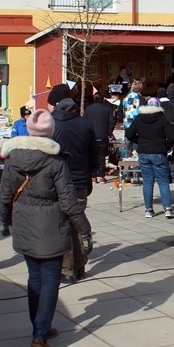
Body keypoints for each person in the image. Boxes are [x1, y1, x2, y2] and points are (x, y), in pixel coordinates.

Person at [0, 109, 92, 347]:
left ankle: (40, 327)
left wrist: (4, 221)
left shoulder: (12, 159)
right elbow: (69, 203)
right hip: (51, 225)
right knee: (49, 279)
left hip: (24, 224)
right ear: (51, 133)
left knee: (35, 278)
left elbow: (5, 196)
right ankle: (40, 333)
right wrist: (84, 229)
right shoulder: (56, 161)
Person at [48, 94, 97, 284]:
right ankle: (80, 266)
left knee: (63, 226)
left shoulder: (51, 123)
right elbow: (93, 153)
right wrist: (91, 173)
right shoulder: (85, 124)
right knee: (78, 222)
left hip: (57, 181)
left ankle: (66, 268)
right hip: (79, 181)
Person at [127, 97, 174, 218]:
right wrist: (165, 147)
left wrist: (140, 141)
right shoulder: (162, 119)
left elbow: (129, 134)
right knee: (163, 181)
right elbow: (172, 136)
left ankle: (148, 210)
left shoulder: (139, 118)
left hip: (144, 153)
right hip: (159, 152)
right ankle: (168, 209)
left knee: (147, 182)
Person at [83, 93, 116, 184]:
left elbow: (84, 121)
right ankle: (101, 176)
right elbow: (112, 121)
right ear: (102, 99)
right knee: (101, 157)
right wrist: (108, 132)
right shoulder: (107, 108)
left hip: (91, 136)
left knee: (92, 156)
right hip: (102, 136)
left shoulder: (88, 109)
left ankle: (93, 176)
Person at [121, 80, 143, 158]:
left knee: (128, 149)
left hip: (127, 125)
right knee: (136, 150)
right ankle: (136, 168)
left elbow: (121, 112)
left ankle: (127, 166)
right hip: (138, 127)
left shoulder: (125, 98)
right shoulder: (140, 99)